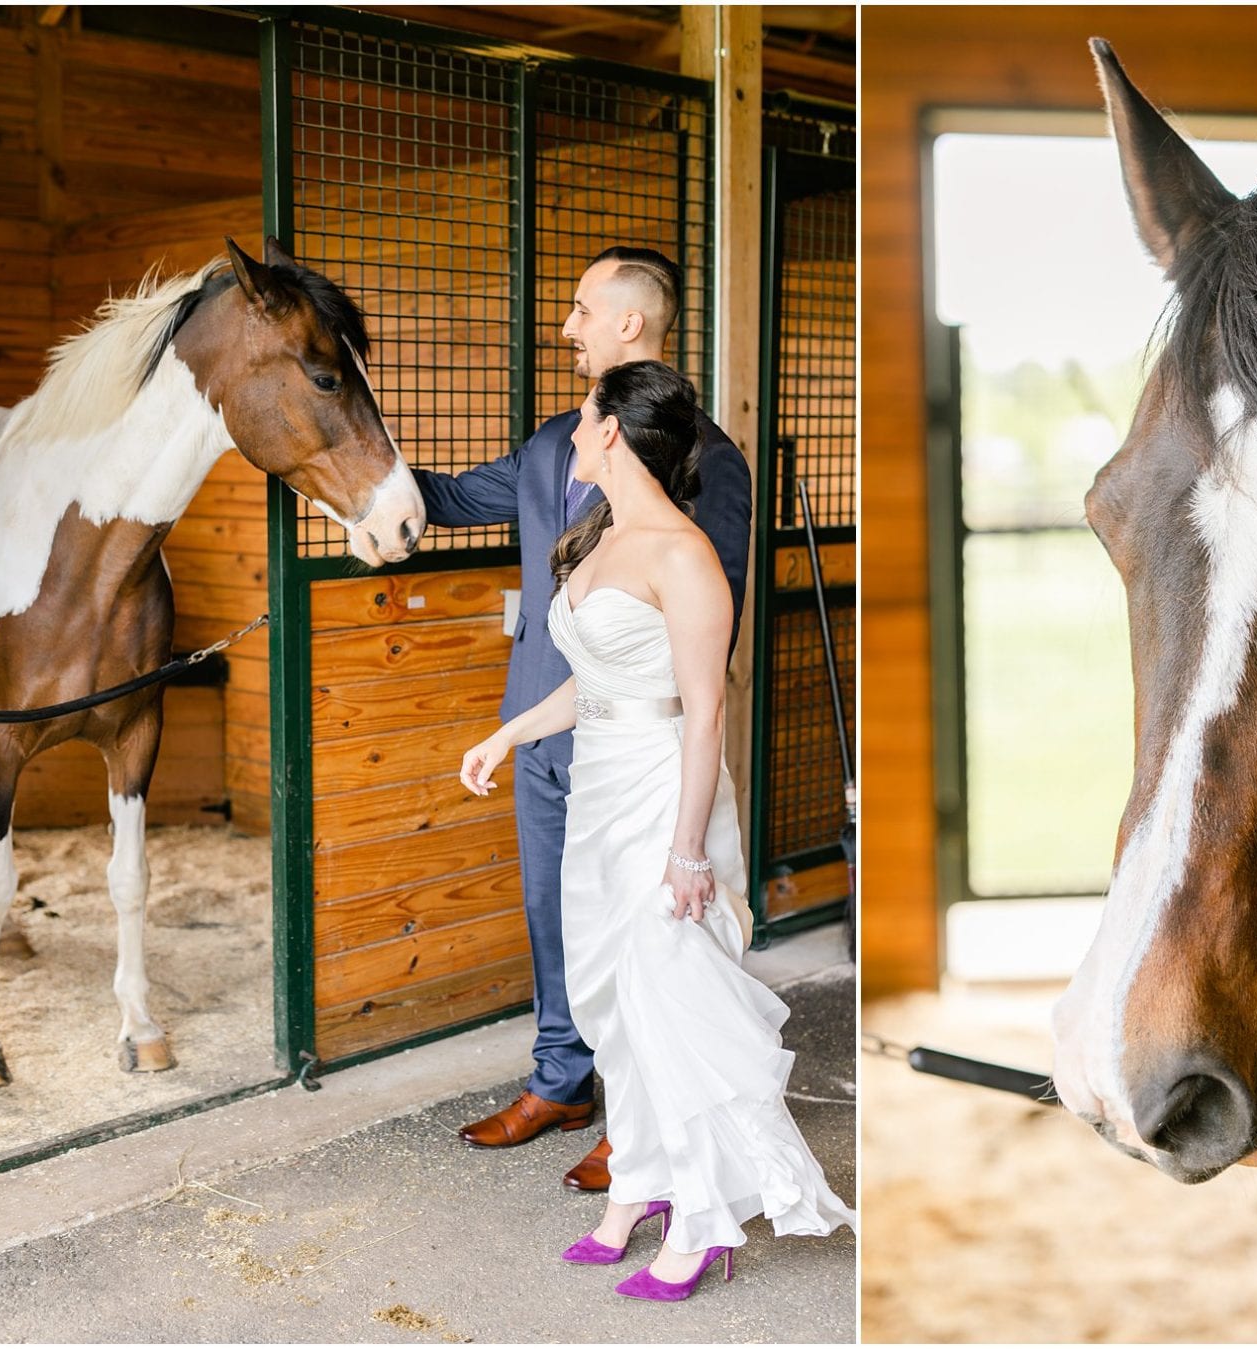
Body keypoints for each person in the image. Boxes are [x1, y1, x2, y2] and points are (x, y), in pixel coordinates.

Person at [459, 361, 854, 1299]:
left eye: (585, 418)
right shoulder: (600, 535)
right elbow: (594, 679)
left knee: (668, 998)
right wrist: (508, 732)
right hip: (598, 788)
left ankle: (705, 1219)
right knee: (615, 1005)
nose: (573, 432)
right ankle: (636, 1185)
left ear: (616, 435)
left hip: (663, 792)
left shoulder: (683, 555)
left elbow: (704, 711)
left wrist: (688, 850)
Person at [413, 247, 751, 1191]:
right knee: (557, 918)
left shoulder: (710, 463)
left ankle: (637, 1107)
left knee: (646, 932)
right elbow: (447, 498)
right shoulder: (557, 438)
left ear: (631, 324)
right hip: (542, 726)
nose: (566, 327)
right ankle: (562, 1081)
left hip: (635, 742)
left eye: (580, 311)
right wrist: (344, 461)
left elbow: (701, 650)